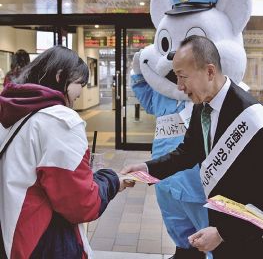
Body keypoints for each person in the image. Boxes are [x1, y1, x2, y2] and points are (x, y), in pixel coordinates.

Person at [121, 35, 263, 258]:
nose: (179, 87)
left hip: (248, 238)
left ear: (209, 71)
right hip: (217, 223)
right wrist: (146, 169)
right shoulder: (202, 105)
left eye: (183, 77)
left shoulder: (252, 119)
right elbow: (187, 153)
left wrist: (224, 232)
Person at [0, 46, 131, 259]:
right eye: (80, 83)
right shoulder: (59, 121)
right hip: (43, 244)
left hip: (13, 236)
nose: (81, 91)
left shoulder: (11, 111)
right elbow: (81, 203)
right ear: (61, 76)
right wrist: (111, 180)